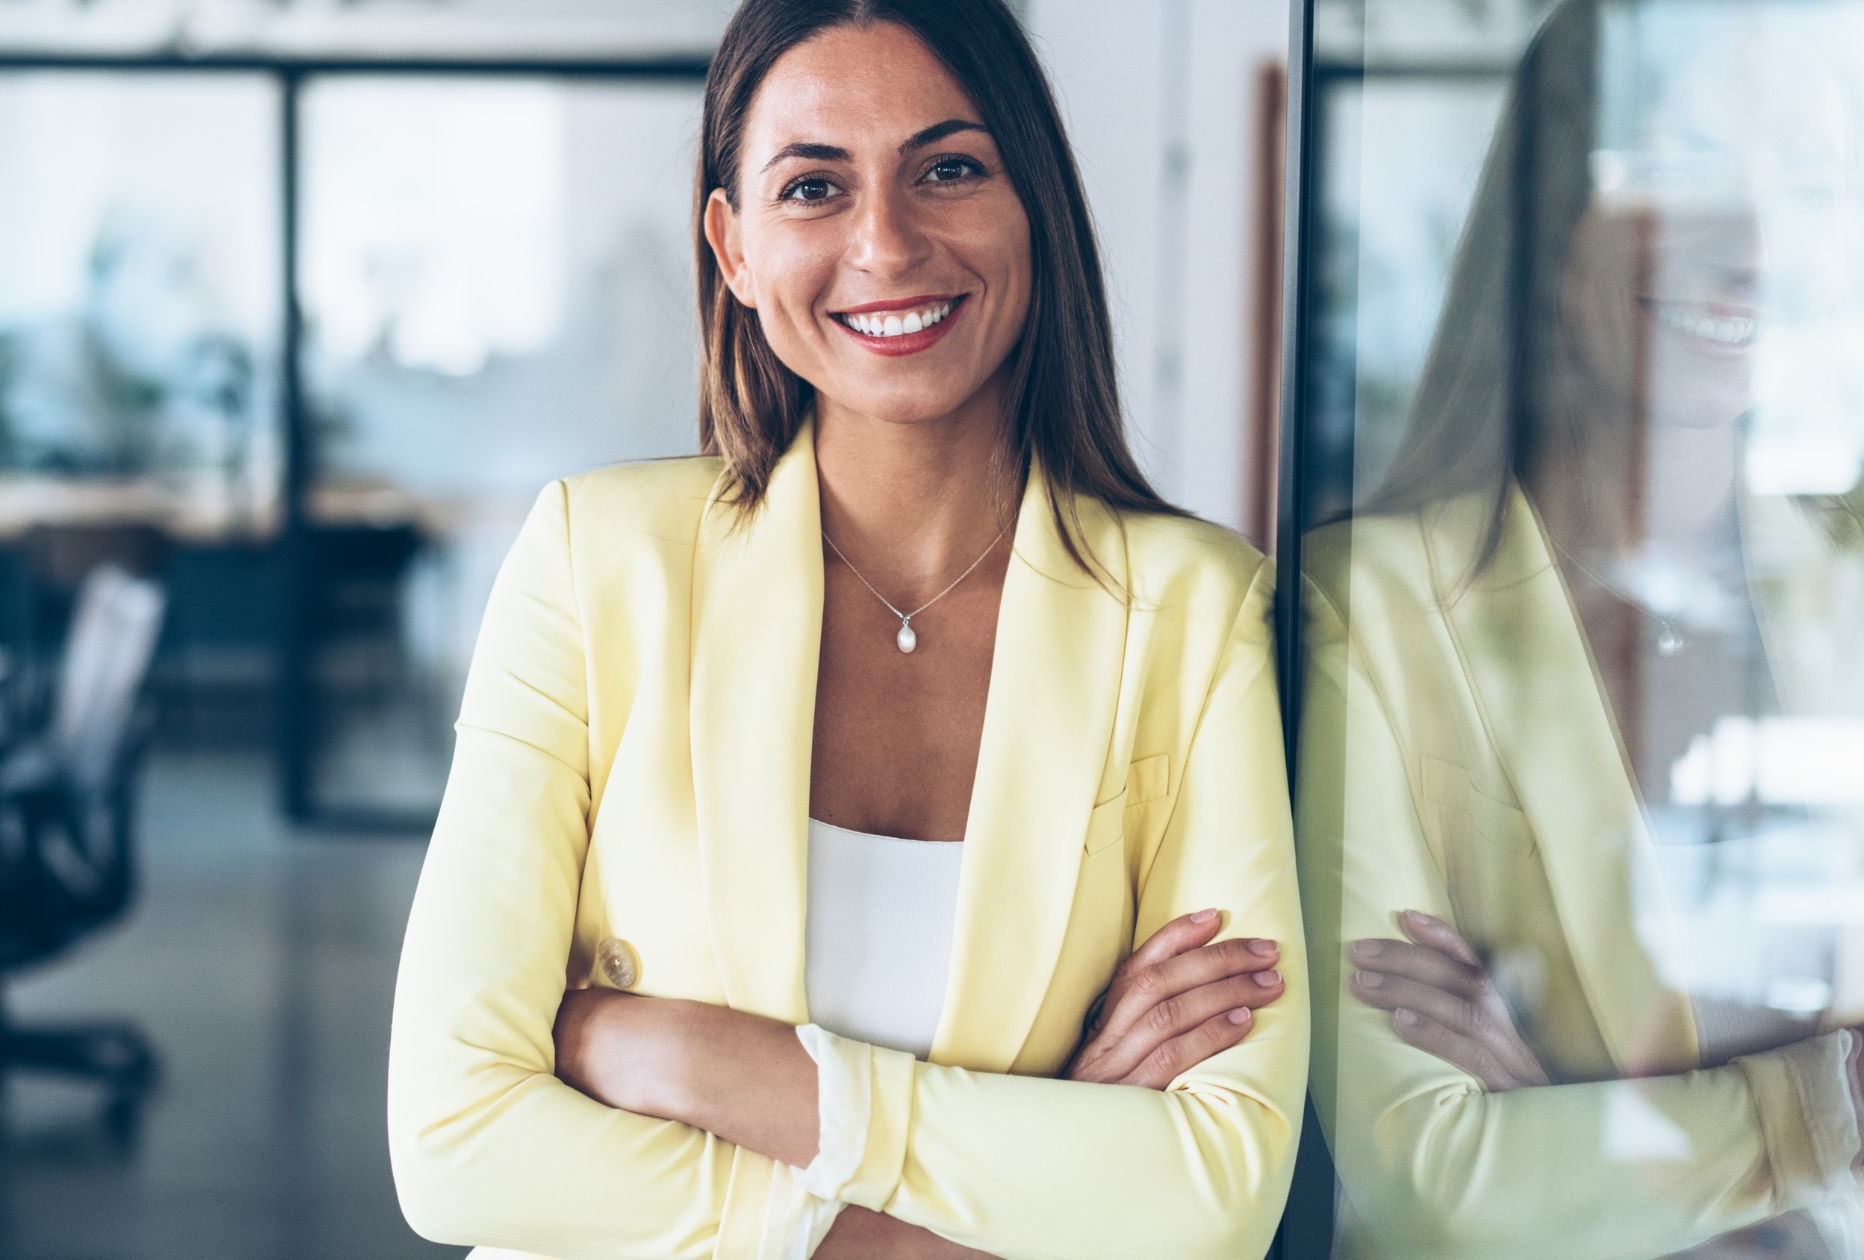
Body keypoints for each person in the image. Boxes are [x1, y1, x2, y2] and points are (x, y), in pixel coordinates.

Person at [388, 1, 1307, 1256]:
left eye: (947, 169)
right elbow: (454, 1148)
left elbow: (1216, 1195)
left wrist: (708, 1064)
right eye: (813, 187)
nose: (885, 243)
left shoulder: (1195, 611)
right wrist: (1029, 1174)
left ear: (1030, 200)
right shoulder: (593, 564)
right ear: (733, 248)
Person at [1299, 0, 1864, 1254]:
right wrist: (1820, 1114)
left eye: (1805, 184)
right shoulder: (1371, 609)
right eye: (1691, 164)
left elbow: (1519, 1184)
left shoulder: (1845, 591)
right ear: (1555, 213)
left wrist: (1572, 1125)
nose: (1749, 239)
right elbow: (1434, 1184)